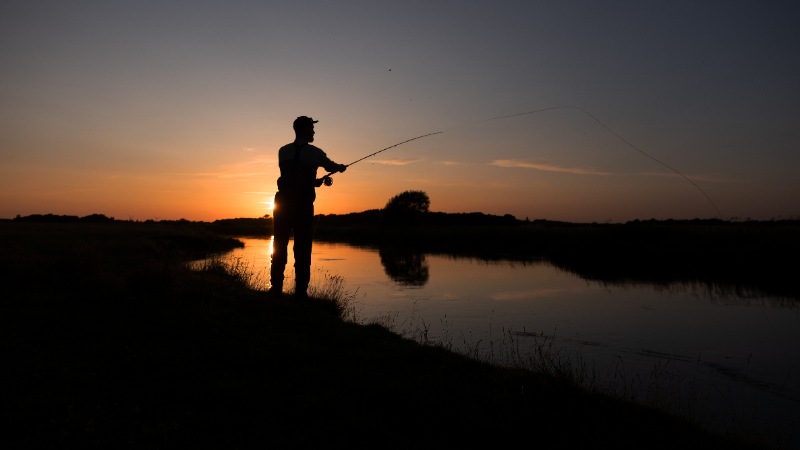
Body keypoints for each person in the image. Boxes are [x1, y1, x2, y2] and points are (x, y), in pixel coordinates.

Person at [268, 116, 347, 299]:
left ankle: (276, 290)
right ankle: (301, 293)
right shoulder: (315, 153)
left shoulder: (283, 151)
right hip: (302, 204)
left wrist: (314, 181)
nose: (314, 132)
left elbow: (293, 176)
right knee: (303, 248)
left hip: (282, 203)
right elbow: (331, 166)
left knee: (279, 245)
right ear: (304, 130)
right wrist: (340, 168)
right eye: (311, 128)